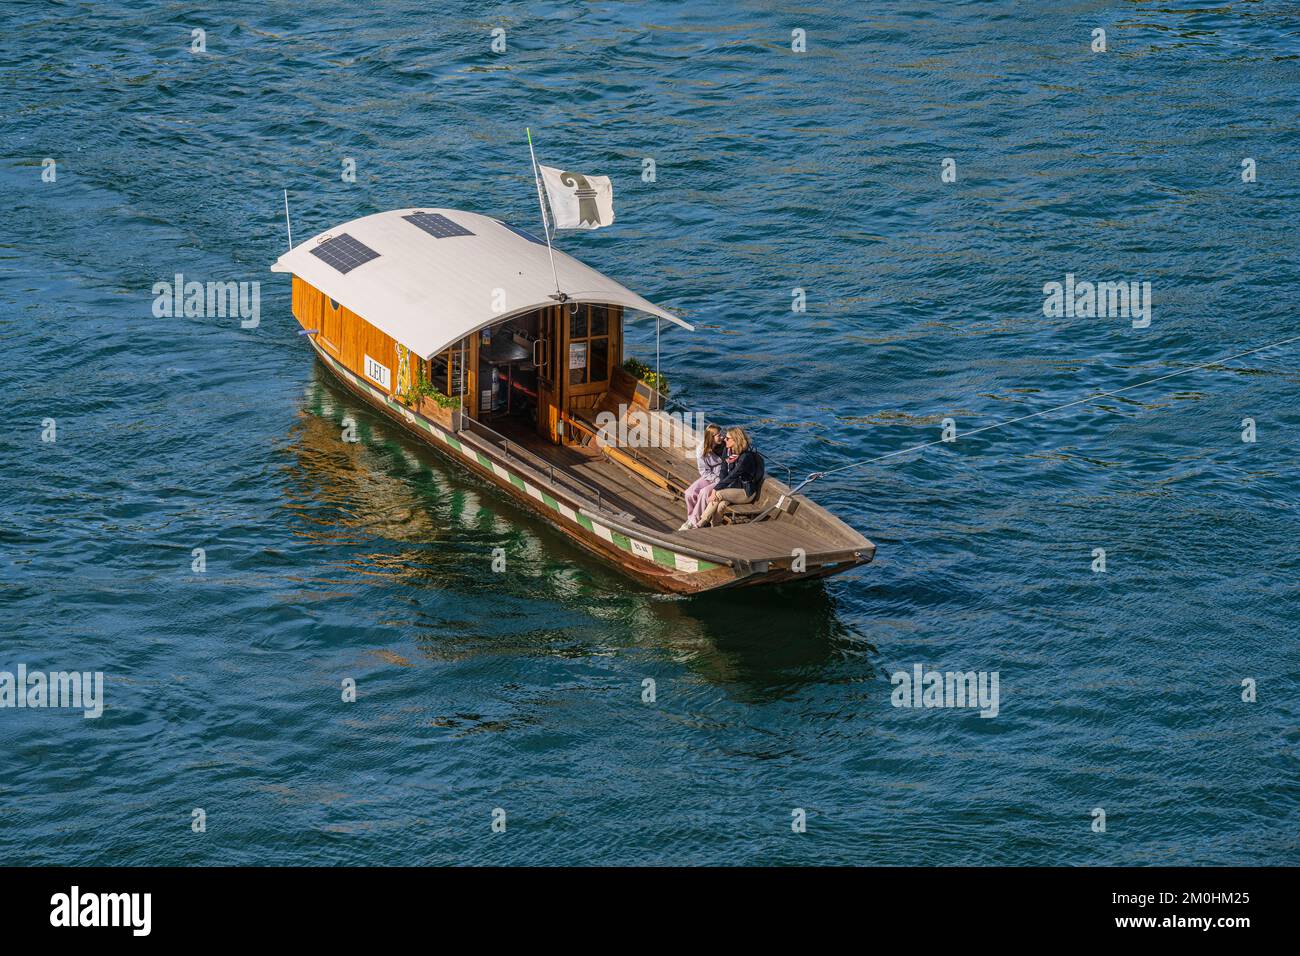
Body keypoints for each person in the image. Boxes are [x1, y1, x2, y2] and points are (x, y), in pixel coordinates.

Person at [695, 426, 765, 528]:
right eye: (725, 437)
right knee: (721, 505)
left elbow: (733, 475)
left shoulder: (745, 457)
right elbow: (723, 471)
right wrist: (720, 485)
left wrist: (715, 489)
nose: (724, 439)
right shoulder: (727, 451)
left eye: (727, 438)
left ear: (735, 440)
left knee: (718, 494)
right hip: (734, 488)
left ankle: (701, 522)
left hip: (746, 491)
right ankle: (715, 526)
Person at [679, 425, 725, 531]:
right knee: (689, 493)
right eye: (719, 435)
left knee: (704, 492)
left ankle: (694, 523)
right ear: (711, 437)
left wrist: (719, 480)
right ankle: (691, 519)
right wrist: (715, 479)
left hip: (722, 478)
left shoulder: (724, 446)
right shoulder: (702, 449)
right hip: (710, 476)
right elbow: (704, 472)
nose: (722, 437)